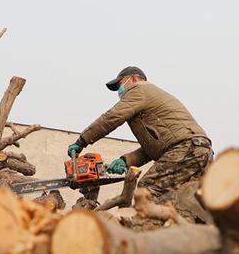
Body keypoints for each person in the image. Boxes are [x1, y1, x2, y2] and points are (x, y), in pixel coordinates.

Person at [68, 66, 213, 203]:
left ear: (133, 79)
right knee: (189, 200)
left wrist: (82, 141)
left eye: (120, 85)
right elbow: (156, 147)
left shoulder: (139, 89)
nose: (120, 91)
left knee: (147, 190)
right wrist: (126, 160)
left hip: (186, 148)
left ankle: (152, 228)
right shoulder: (152, 97)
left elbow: (112, 117)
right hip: (198, 149)